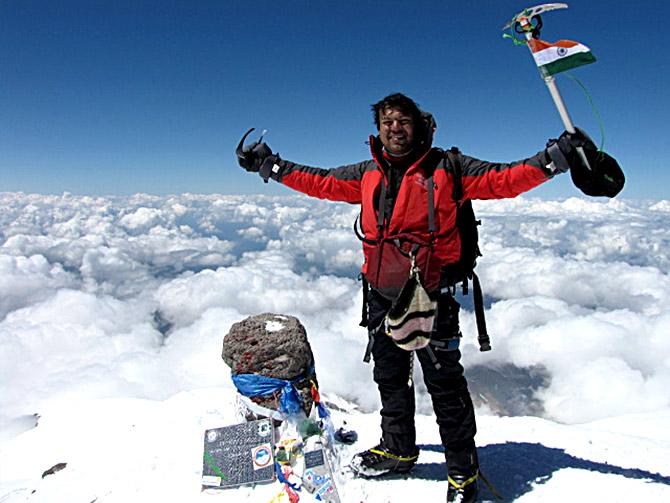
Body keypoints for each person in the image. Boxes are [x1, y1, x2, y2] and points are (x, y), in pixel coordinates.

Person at [236, 93, 592, 502]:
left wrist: (552, 159)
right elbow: (321, 181)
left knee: (444, 386)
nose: (394, 128)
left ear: (419, 125)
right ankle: (398, 448)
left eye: (402, 121)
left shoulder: (450, 169)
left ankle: (462, 474)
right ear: (378, 130)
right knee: (390, 377)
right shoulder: (368, 173)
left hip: (431, 296)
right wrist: (273, 166)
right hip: (381, 294)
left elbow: (504, 178)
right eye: (386, 122)